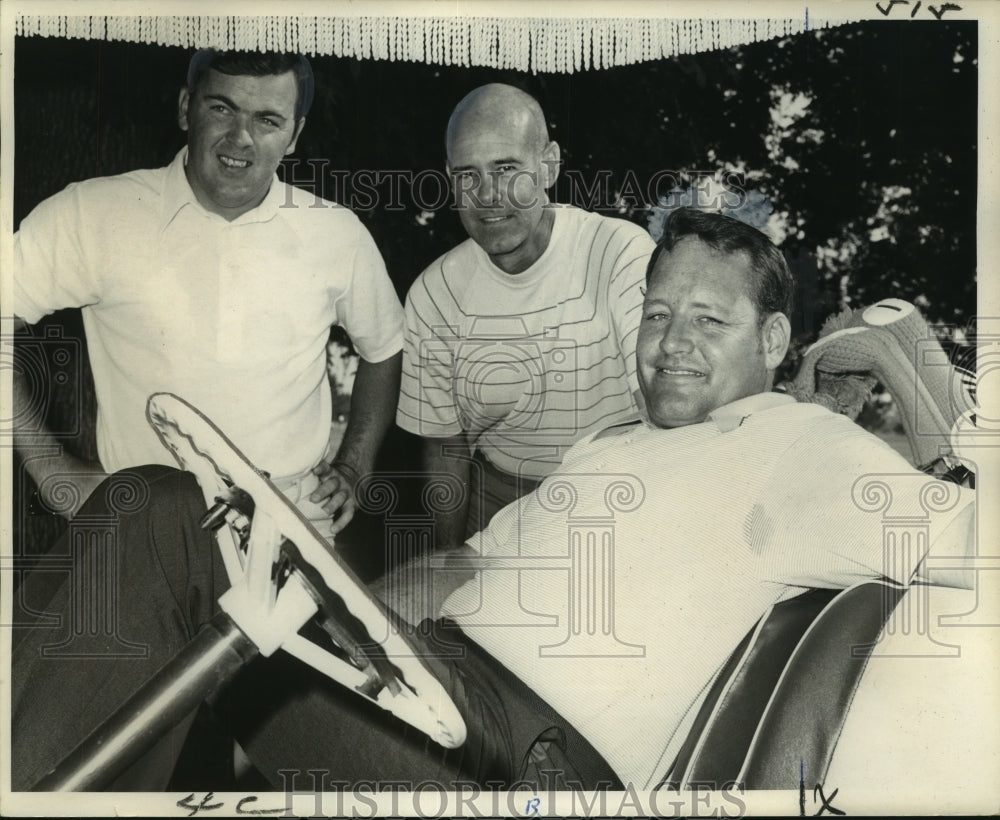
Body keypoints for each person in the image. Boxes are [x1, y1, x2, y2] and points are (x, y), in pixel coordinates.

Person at [11, 208, 975, 792]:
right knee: (161, 521)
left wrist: (895, 360)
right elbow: (466, 562)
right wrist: (340, 622)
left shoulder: (795, 443)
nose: (672, 342)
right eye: (657, 316)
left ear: (772, 342)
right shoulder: (612, 444)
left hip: (530, 762)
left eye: (709, 322)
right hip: (429, 690)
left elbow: (971, 530)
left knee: (167, 517)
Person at [11, 49, 404, 539]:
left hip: (293, 527)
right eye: (222, 108)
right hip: (144, 524)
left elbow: (384, 347)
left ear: (295, 136)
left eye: (267, 120)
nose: (241, 138)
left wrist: (354, 467)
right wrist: (50, 469)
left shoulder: (336, 233)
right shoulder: (95, 214)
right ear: (185, 109)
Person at [396, 83, 656, 546]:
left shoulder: (619, 252)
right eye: (468, 176)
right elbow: (446, 448)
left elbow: (658, 402)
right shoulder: (433, 296)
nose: (488, 196)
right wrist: (447, 567)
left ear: (548, 164)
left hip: (617, 488)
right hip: (499, 499)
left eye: (506, 168)